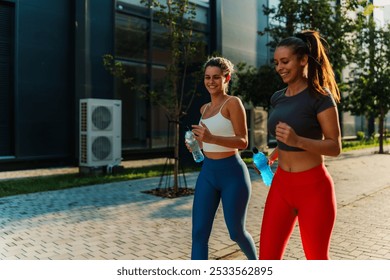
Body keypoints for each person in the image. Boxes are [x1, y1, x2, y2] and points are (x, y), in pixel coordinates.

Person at [257, 30, 342, 260]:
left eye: (285, 61)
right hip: (282, 185)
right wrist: (273, 155)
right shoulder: (277, 97)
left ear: (303, 60)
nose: (279, 68)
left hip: (313, 188)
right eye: (276, 62)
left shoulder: (320, 97)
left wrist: (298, 141)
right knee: (266, 259)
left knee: (316, 259)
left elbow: (335, 146)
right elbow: (286, 139)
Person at [187, 56, 257, 260]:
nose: (211, 81)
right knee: (199, 234)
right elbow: (206, 143)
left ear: (227, 78)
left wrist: (210, 137)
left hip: (232, 174)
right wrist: (196, 145)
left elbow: (243, 141)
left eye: (216, 77)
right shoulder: (204, 109)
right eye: (207, 77)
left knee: (236, 232)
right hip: (208, 173)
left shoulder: (233, 103)